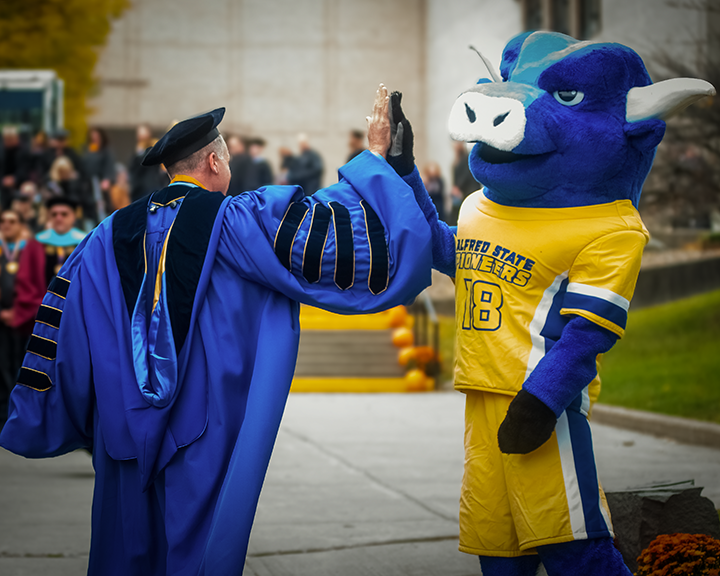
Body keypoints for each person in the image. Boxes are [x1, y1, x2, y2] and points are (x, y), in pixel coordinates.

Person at [0, 86, 433, 575]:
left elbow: (62, 339)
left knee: (123, 555)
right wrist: (377, 160)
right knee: (198, 552)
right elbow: (337, 239)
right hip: (203, 430)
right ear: (213, 162)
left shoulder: (103, 238)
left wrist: (66, 413)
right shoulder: (237, 222)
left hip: (119, 430)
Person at [0, 209, 45, 429]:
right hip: (2, 318)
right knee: (2, 366)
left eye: (12, 221)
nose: (7, 225)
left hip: (24, 320)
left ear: (20, 225)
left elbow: (36, 285)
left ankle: (20, 416)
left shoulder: (30, 249)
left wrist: (17, 312)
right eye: (3, 221)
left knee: (21, 365)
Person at [35, 197, 86, 285]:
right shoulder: (37, 242)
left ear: (73, 217)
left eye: (64, 214)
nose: (58, 218)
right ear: (48, 217)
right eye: (54, 214)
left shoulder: (84, 242)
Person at [83, 127, 117, 223]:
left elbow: (109, 165)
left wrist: (107, 179)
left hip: (99, 184)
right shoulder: (87, 149)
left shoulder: (106, 151)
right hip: (88, 184)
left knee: (101, 206)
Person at [128, 123, 168, 202]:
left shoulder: (153, 148)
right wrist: (139, 153)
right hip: (140, 191)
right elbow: (134, 169)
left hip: (153, 187)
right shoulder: (137, 153)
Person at [0, 126, 31, 209]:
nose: (9, 141)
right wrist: (3, 180)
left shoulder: (24, 150)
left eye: (11, 139)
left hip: (20, 181)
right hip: (3, 182)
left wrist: (15, 179)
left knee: (27, 189)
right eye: (7, 139)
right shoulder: (1, 151)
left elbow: (25, 168)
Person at [450, 141, 478, 225]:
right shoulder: (456, 160)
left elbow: (466, 174)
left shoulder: (466, 157)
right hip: (459, 192)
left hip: (468, 189)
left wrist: (458, 187)